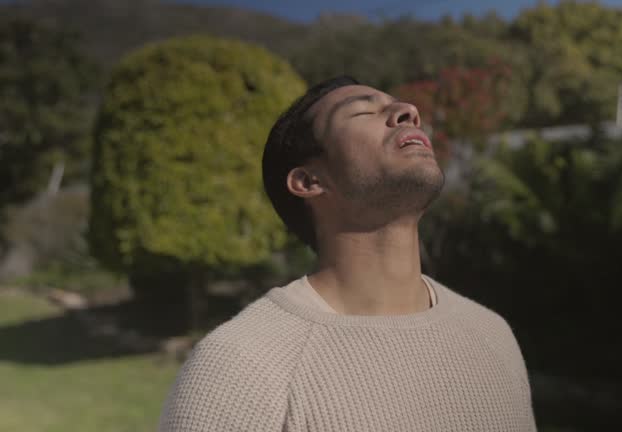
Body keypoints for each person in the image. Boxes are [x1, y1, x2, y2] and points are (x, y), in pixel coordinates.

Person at [158, 76, 537, 431]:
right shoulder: (239, 366)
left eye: (401, 106)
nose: (408, 112)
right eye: (363, 111)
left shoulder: (491, 333)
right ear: (309, 181)